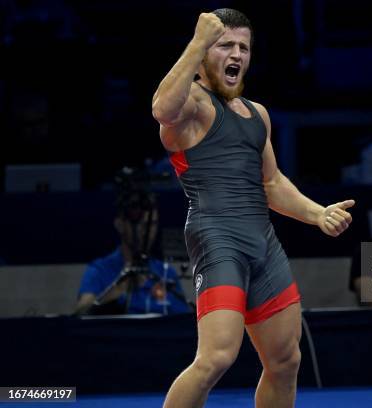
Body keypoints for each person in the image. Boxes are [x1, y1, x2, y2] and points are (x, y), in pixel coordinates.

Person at [151, 9, 354, 408]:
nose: (237, 54)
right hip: (217, 238)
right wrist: (196, 42)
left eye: (244, 47)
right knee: (216, 358)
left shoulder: (257, 114)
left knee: (285, 359)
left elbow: (273, 183)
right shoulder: (191, 103)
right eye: (226, 45)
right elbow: (161, 109)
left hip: (263, 242)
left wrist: (317, 214)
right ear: (206, 51)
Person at [75, 185, 191, 315]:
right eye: (139, 223)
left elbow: (183, 319)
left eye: (151, 224)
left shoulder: (165, 272)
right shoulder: (100, 270)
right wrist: (117, 290)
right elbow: (81, 312)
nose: (146, 231)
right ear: (120, 225)